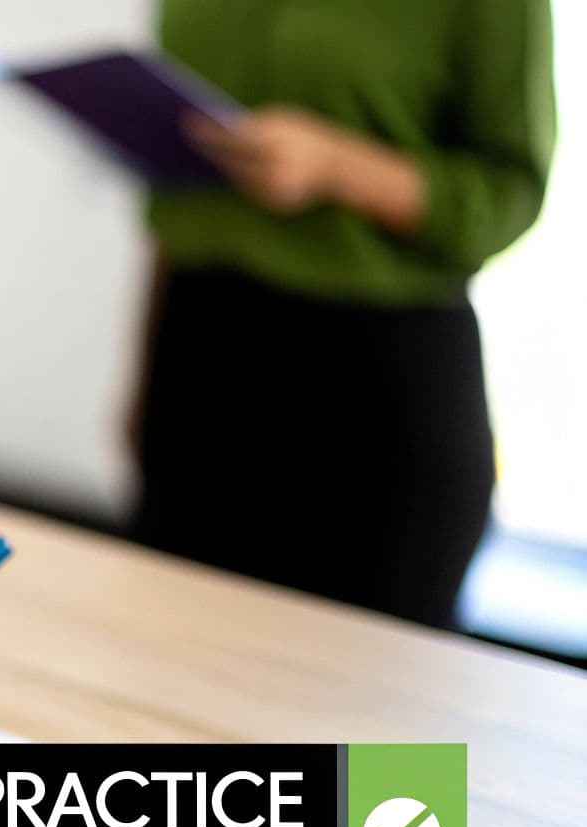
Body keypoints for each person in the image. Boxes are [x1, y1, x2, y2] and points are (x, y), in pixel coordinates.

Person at [128, 0, 556, 629]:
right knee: (164, 689)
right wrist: (141, 374)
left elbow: (510, 193)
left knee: (388, 715)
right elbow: (174, 194)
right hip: (202, 357)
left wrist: (337, 165)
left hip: (377, 382)